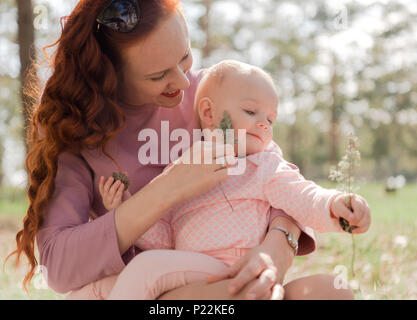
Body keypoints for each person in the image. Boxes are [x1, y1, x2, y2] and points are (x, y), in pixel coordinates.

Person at [7, 0, 358, 300]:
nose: (182, 81)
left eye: (185, 56)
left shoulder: (210, 96)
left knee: (333, 291)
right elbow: (57, 264)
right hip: (146, 289)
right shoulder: (78, 131)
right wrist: (166, 189)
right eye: (158, 75)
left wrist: (276, 249)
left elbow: (275, 174)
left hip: (231, 273)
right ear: (108, 77)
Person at [89, 60, 370, 299]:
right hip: (193, 276)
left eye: (270, 120)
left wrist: (334, 203)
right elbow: (164, 237)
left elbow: (302, 196)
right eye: (251, 111)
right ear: (209, 113)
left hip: (235, 266)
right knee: (117, 278)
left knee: (145, 269)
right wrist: (123, 208)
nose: (263, 123)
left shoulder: (264, 165)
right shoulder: (184, 167)